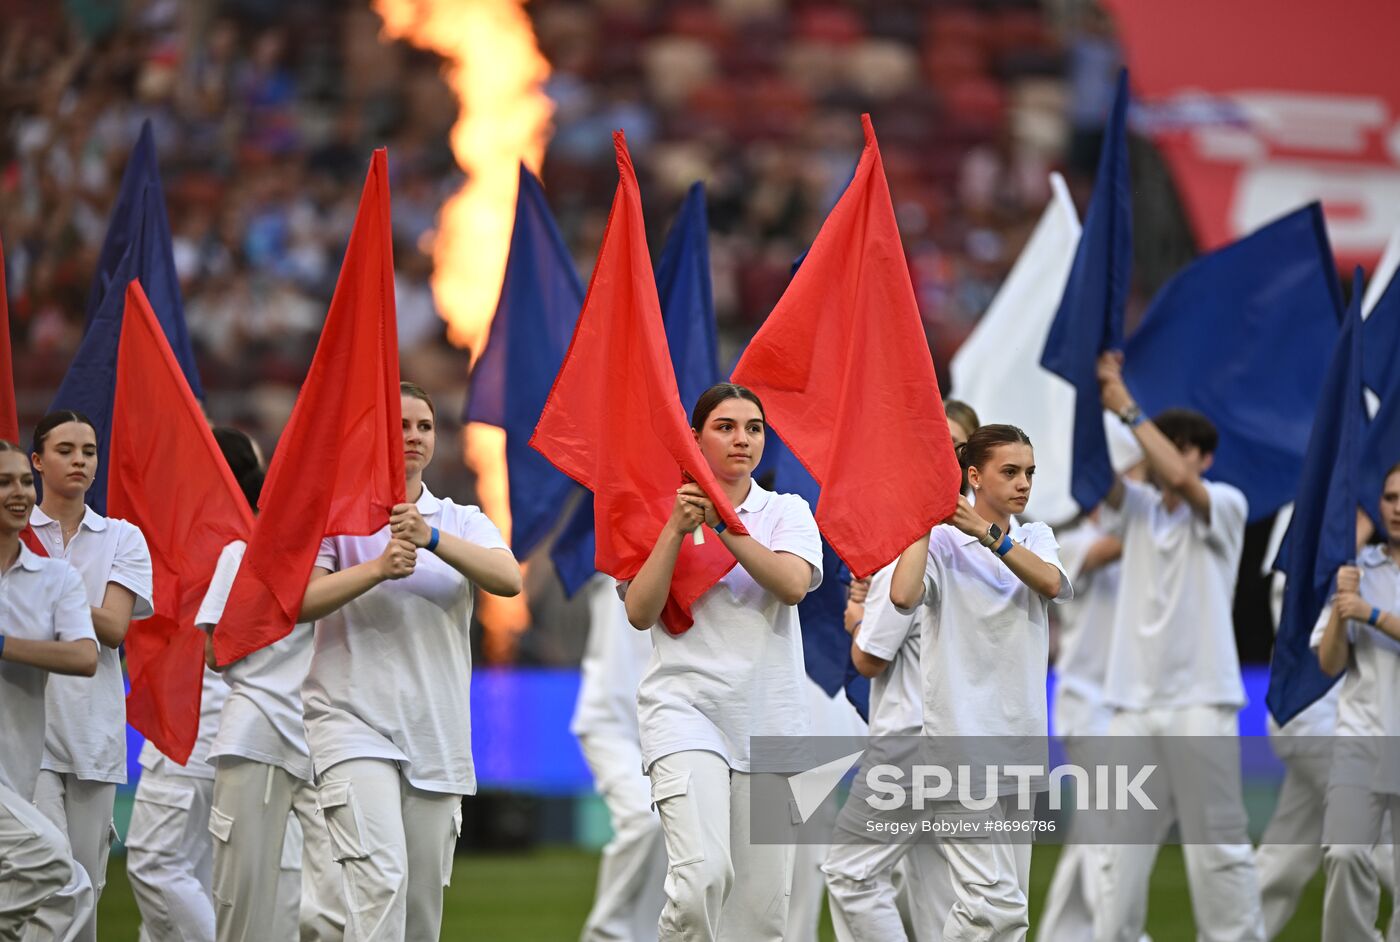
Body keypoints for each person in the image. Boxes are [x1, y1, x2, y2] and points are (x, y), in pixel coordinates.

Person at [298, 382, 522, 941]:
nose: (415, 437)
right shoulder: (336, 517)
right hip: (350, 724)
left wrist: (431, 537)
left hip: (435, 734)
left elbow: (508, 579)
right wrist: (375, 569)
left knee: (420, 912)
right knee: (380, 883)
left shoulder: (460, 518)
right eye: (401, 426)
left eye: (424, 426)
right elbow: (299, 602)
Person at [830, 424, 1070, 940]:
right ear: (974, 477)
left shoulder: (1035, 536)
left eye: (1028, 472)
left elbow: (1050, 583)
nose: (1023, 483)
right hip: (957, 751)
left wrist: (985, 532)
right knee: (997, 906)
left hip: (1021, 746)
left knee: (1010, 919)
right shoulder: (940, 541)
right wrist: (923, 515)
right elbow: (901, 596)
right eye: (1010, 472)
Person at [623, 382, 823, 942]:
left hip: (771, 719)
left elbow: (790, 585)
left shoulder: (786, 510)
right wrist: (676, 528)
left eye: (754, 428)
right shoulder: (659, 512)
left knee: (759, 921)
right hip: (683, 713)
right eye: (726, 427)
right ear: (695, 437)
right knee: (699, 880)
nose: (743, 439)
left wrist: (721, 526)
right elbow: (641, 612)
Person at [1093, 352, 1265, 942]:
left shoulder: (1226, 504)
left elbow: (1186, 481)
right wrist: (1094, 392)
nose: (1171, 454)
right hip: (1131, 702)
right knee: (1117, 849)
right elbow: (1089, 472)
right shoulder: (1134, 510)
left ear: (1205, 456)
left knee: (1217, 845)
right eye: (1165, 443)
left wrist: (1128, 405)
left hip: (1200, 700)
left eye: (1183, 446)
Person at [822, 398, 979, 942]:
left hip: (908, 738)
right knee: (938, 895)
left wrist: (859, 616)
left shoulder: (911, 545)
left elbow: (870, 656)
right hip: (961, 737)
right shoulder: (991, 545)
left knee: (851, 875)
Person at [27, 411, 154, 942]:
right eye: (65, 450)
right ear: (36, 461)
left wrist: (42, 590)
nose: (80, 460)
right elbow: (94, 618)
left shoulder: (121, 537)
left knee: (87, 889)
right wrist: (78, 602)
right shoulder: (12, 532)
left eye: (89, 450)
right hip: (23, 735)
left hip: (92, 733)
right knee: (43, 881)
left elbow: (115, 627)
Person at [0, 440, 99, 940]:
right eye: (4, 482)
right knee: (50, 859)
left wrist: (3, 645)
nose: (18, 492)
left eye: (23, 481)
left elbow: (85, 656)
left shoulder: (56, 578)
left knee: (69, 890)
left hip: (18, 767)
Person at [1313, 461, 1400, 942]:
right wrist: (1342, 614)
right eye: (1390, 498)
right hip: (1361, 737)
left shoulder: (1369, 594)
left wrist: (1370, 613)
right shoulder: (1356, 570)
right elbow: (1329, 663)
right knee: (1343, 854)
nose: (1397, 508)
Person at [571, 572, 667, 942]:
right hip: (610, 721)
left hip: (671, 721)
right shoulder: (606, 546)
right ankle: (604, 935)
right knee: (646, 821)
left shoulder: (701, 547)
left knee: (677, 842)